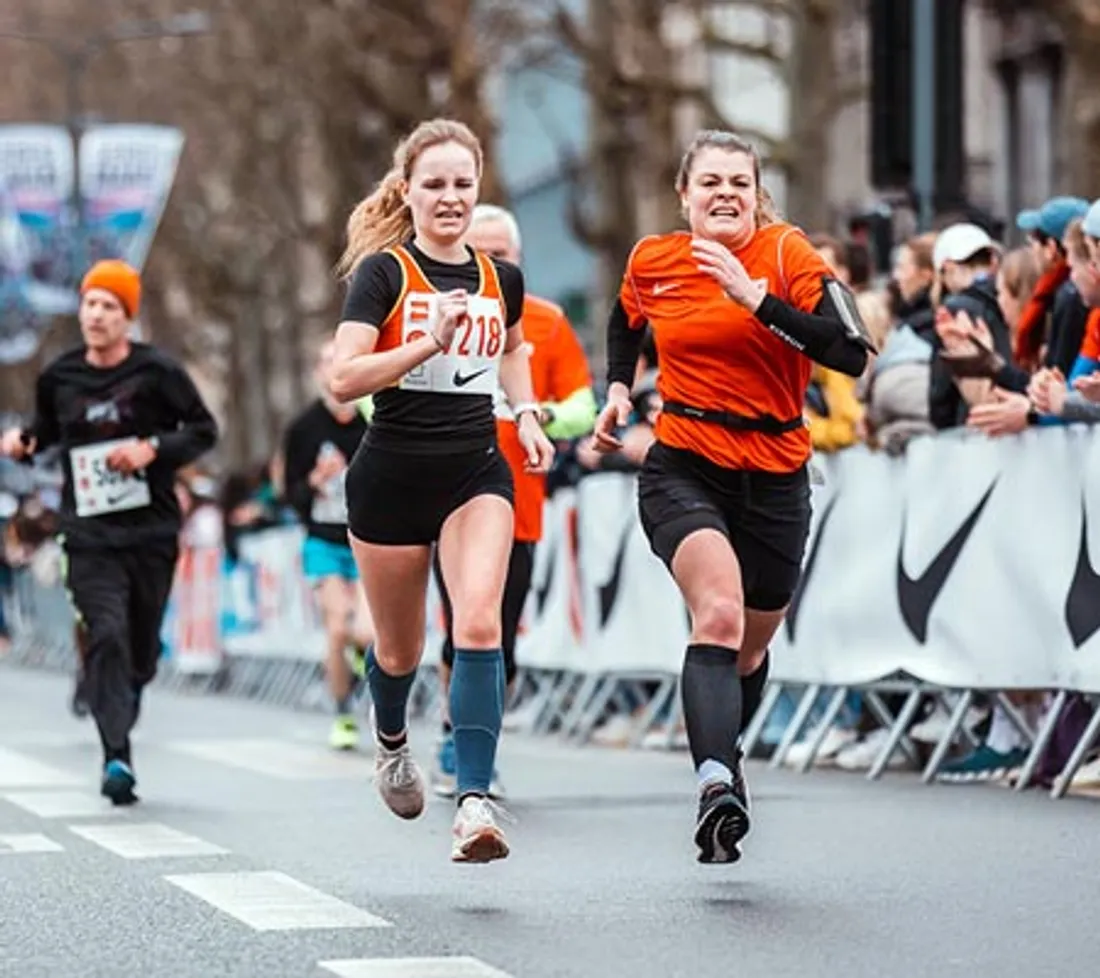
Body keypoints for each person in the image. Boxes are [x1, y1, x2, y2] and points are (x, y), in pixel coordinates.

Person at [591, 129, 872, 864]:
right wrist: (619, 387)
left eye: (738, 184)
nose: (724, 195)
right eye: (709, 182)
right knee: (715, 615)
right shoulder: (655, 259)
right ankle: (715, 783)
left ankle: (727, 757)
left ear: (756, 194)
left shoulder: (786, 256)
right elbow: (625, 320)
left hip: (777, 470)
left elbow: (850, 351)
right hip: (684, 461)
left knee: (749, 650)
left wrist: (757, 301)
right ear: (685, 194)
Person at [328, 118, 555, 864]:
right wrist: (428, 340)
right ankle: (391, 740)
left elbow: (515, 350)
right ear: (408, 191)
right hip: (391, 475)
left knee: (480, 625)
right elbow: (344, 378)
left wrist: (524, 416)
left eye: (463, 184)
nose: (451, 198)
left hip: (474, 470)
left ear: (478, 187)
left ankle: (475, 803)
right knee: (400, 648)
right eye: (435, 185)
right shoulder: (385, 274)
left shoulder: (502, 279)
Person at [0, 259, 217, 805]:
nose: (95, 314)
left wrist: (152, 449)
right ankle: (115, 755)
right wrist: (24, 442)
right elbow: (46, 433)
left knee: (140, 649)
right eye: (89, 303)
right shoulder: (61, 377)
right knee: (106, 634)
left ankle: (130, 689)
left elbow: (202, 430)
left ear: (127, 317)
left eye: (109, 306)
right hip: (89, 533)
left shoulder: (157, 372)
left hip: (151, 531)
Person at [429, 203, 596, 798]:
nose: (493, 264)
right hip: (449, 496)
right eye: (482, 252)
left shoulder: (545, 323)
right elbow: (376, 396)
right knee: (462, 624)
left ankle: (476, 734)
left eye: (504, 255)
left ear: (520, 260)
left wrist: (538, 412)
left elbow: (584, 407)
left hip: (521, 503)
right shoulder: (431, 313)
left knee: (503, 633)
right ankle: (460, 737)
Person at [282, 340, 375, 750]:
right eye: (326, 361)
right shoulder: (303, 429)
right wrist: (315, 482)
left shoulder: (374, 422)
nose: (334, 367)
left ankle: (356, 665)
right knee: (337, 627)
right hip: (323, 541)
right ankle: (342, 712)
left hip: (370, 541)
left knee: (368, 635)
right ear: (320, 374)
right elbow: (288, 495)